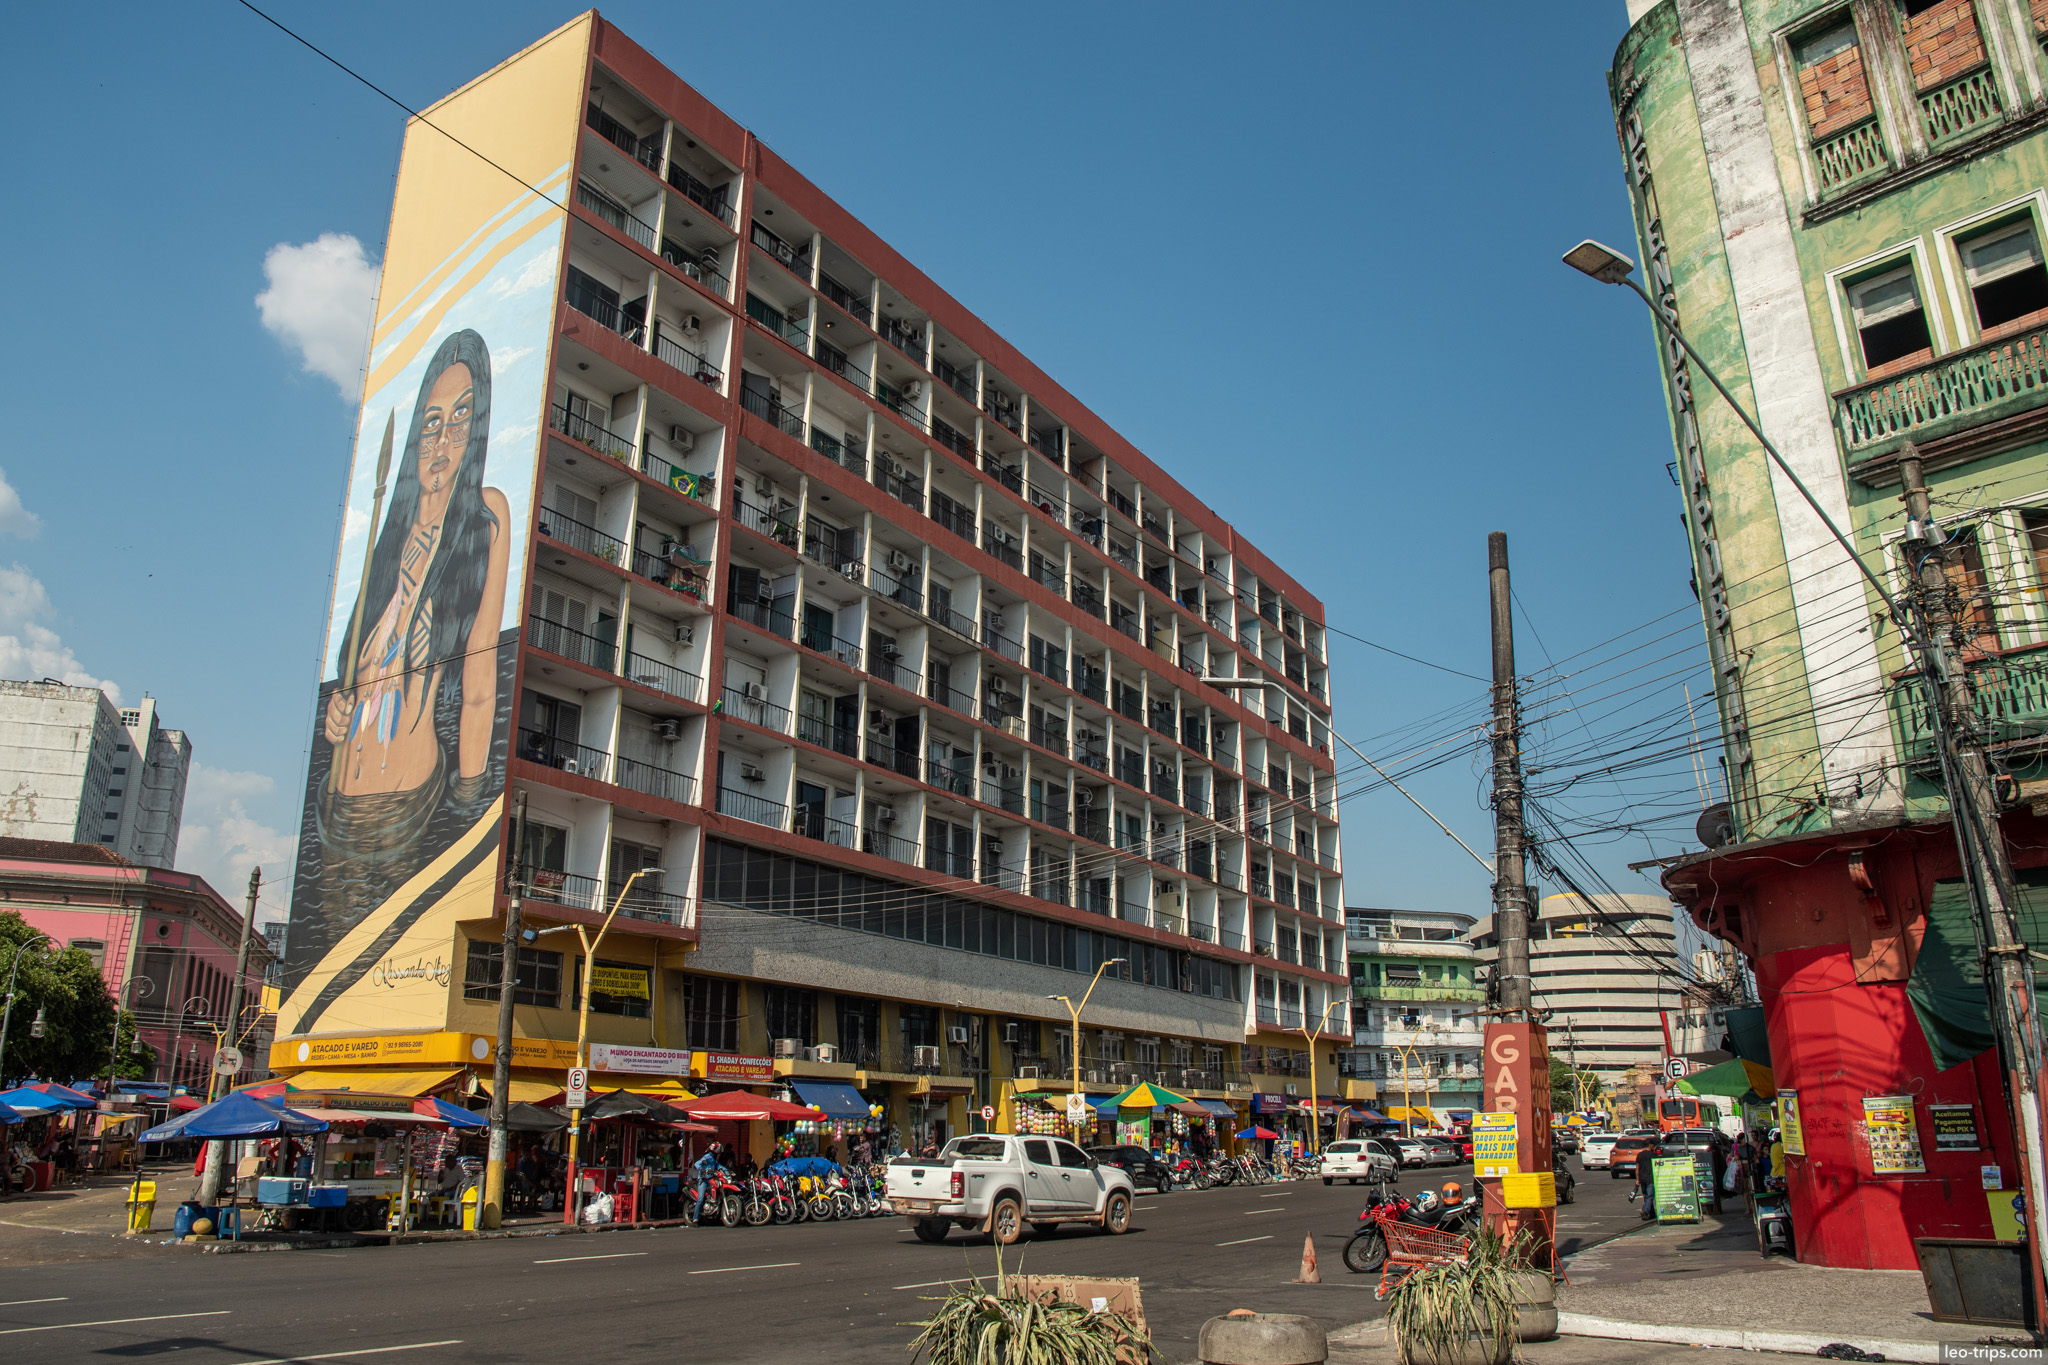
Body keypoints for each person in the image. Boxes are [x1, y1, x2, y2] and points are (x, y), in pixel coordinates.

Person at [690, 1142, 723, 1224]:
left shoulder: (714, 1161)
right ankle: (695, 1219)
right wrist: (701, 1169)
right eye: (718, 1153)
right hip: (703, 1179)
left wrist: (728, 1171)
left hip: (711, 1179)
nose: (719, 1155)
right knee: (700, 1199)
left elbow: (720, 1166)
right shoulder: (707, 1157)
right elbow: (697, 1163)